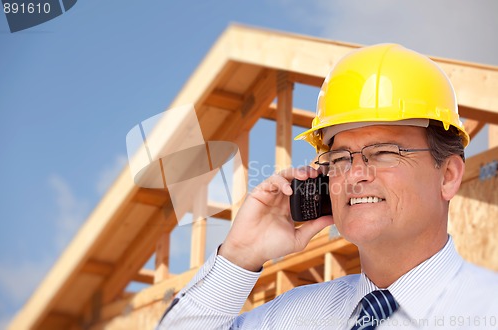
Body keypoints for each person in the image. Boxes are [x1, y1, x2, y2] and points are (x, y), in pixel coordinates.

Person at [157, 44, 498, 329]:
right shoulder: (294, 316)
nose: (354, 174)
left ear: (448, 175)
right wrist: (240, 256)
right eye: (339, 158)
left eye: (383, 152)